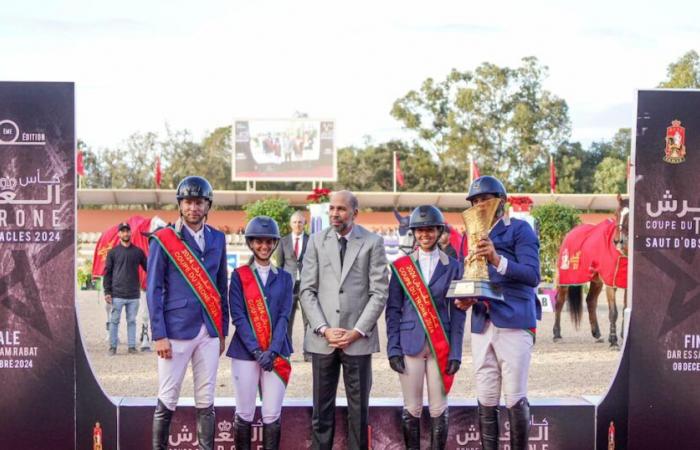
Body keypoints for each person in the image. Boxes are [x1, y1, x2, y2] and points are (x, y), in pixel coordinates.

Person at [454, 175, 541, 450]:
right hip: (482, 321)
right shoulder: (469, 235)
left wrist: (497, 259)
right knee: (486, 394)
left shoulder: (520, 229)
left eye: (485, 200)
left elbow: (532, 275)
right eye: (475, 201)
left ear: (501, 202)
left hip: (514, 319)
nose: (480, 205)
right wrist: (465, 297)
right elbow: (468, 273)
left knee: (514, 395)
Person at [300, 190, 389, 450]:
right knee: (321, 412)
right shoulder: (316, 241)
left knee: (359, 412)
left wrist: (357, 331)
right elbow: (307, 290)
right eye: (331, 208)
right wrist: (324, 329)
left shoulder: (373, 243)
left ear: (355, 213)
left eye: (341, 209)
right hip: (323, 339)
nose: (335, 213)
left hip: (357, 341)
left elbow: (379, 292)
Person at [147, 176, 229, 450]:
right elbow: (154, 289)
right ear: (180, 205)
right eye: (188, 202)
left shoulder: (218, 238)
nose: (194, 207)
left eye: (199, 202)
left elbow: (221, 286)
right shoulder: (163, 239)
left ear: (208, 206)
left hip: (209, 331)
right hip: (175, 330)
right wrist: (158, 334)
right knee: (168, 396)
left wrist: (222, 330)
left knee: (206, 397)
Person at [386, 205, 466, 449]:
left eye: (430, 229)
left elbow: (458, 313)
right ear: (413, 233)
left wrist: (456, 353)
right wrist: (393, 349)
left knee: (439, 407)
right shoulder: (401, 267)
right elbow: (393, 310)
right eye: (419, 230)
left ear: (439, 231)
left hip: (440, 344)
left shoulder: (454, 266)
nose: (424, 235)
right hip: (409, 344)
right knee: (412, 407)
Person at [228, 216, 293, 450]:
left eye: (268, 242)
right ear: (250, 243)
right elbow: (238, 316)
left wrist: (273, 350)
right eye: (258, 242)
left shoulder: (285, 278)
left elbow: (285, 316)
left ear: (275, 243)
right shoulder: (239, 275)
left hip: (276, 353)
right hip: (245, 352)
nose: (263, 246)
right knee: (244, 412)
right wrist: (256, 350)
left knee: (272, 413)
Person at [103, 222, 147, 355]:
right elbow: (107, 273)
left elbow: (149, 268)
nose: (125, 233)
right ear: (119, 234)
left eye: (127, 231)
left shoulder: (138, 252)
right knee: (114, 321)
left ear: (130, 233)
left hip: (134, 294)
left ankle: (132, 347)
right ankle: (112, 347)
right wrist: (107, 292)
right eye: (123, 231)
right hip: (117, 294)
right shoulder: (113, 253)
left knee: (132, 321)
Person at [275, 210, 311, 361]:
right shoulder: (283, 241)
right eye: (295, 222)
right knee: (287, 319)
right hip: (288, 286)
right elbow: (280, 264)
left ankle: (308, 353)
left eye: (300, 222)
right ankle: (286, 352)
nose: (297, 225)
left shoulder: (311, 241)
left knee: (308, 320)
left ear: (304, 224)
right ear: (291, 224)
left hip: (306, 285)